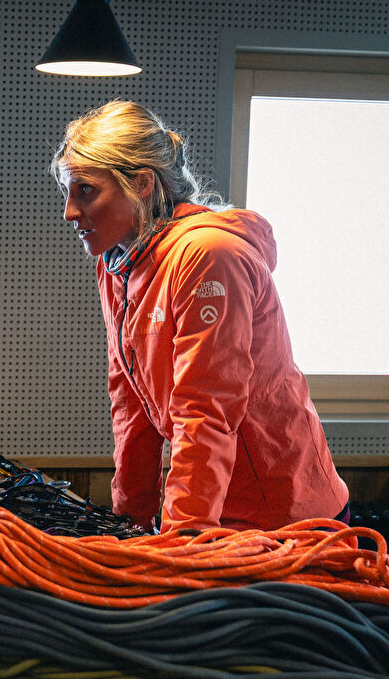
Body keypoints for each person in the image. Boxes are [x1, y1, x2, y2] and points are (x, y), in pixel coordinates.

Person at [51, 100, 349, 535]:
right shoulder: (117, 263)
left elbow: (205, 411)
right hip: (211, 509)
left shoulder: (209, 255)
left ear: (142, 183)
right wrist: (128, 523)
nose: (69, 212)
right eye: (67, 192)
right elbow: (131, 402)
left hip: (281, 516)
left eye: (85, 191)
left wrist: (181, 539)